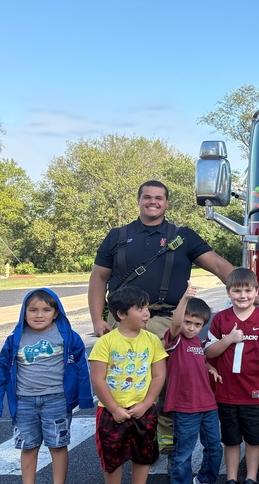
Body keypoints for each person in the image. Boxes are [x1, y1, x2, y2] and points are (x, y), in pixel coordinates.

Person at [87, 180, 234, 449]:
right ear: (139, 200)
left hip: (168, 320)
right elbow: (98, 279)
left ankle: (164, 436)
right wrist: (98, 319)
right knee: (123, 377)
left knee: (165, 380)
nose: (152, 202)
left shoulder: (183, 236)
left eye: (158, 198)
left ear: (167, 203)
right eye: (147, 197)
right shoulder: (117, 236)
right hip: (122, 321)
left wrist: (245, 290)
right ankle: (127, 429)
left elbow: (218, 265)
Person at [0, 288, 93, 484]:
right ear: (24, 313)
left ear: (56, 313)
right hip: (23, 401)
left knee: (57, 444)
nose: (39, 314)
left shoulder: (67, 336)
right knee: (27, 446)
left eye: (46, 309)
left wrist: (84, 398)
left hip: (56, 400)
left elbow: (82, 367)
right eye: (33, 309)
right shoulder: (15, 339)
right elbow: (2, 372)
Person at [88, 286, 168, 484]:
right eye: (140, 308)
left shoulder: (152, 340)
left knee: (142, 456)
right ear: (121, 314)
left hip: (143, 411)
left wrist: (147, 403)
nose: (147, 313)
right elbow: (97, 378)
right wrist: (114, 408)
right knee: (112, 458)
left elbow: (159, 376)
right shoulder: (106, 343)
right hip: (111, 412)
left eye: (147, 308)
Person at [204, 268, 259, 484]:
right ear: (228, 292)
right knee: (230, 440)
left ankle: (250, 480)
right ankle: (231, 480)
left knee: (254, 439)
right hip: (227, 392)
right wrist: (228, 340)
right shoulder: (221, 319)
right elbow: (209, 352)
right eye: (237, 290)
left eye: (248, 290)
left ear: (256, 292)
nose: (242, 295)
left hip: (255, 392)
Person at [162, 284, 222, 484]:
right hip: (185, 406)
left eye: (198, 325)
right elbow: (176, 323)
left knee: (215, 447)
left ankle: (204, 480)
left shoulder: (198, 342)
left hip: (208, 404)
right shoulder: (174, 339)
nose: (192, 328)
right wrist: (184, 298)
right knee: (183, 452)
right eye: (189, 322)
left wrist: (209, 368)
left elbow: (197, 359)